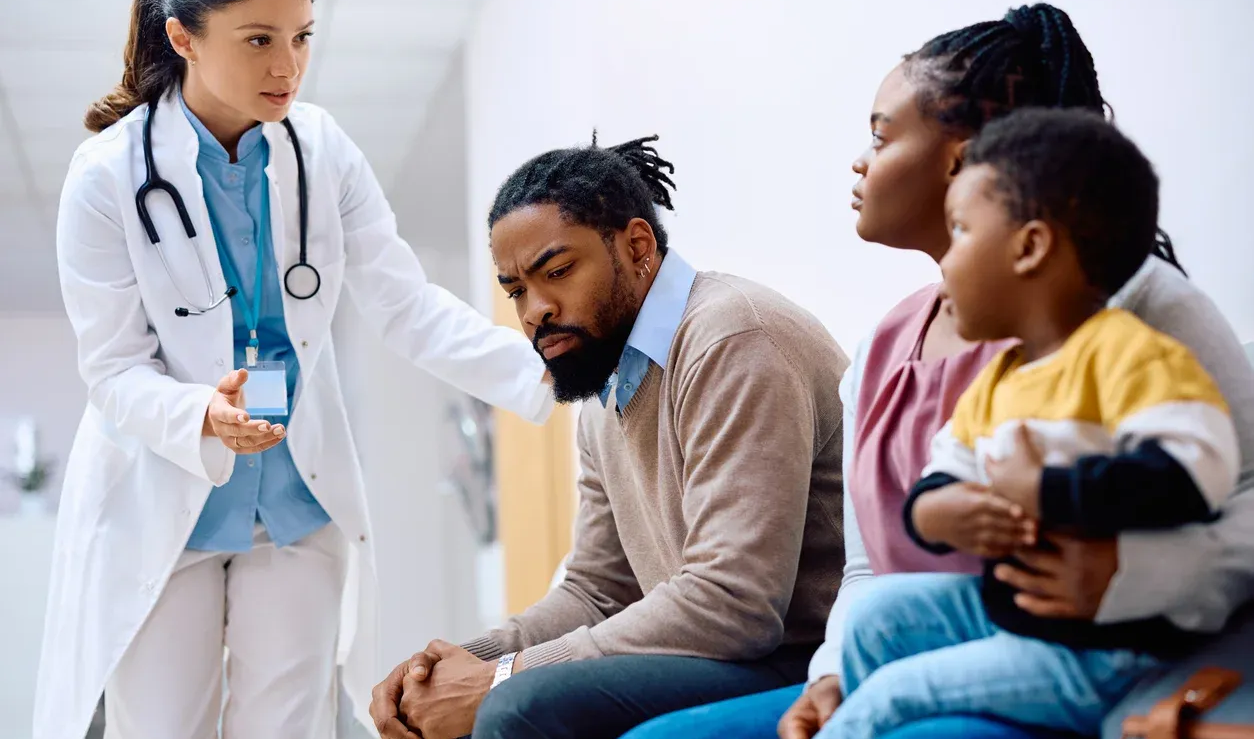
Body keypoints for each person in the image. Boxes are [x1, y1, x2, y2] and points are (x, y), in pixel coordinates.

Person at [623, 5, 1254, 739]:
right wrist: (834, 675)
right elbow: (868, 575)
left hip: (1095, 660)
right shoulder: (881, 353)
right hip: (934, 643)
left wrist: (1126, 574)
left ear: (965, 158)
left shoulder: (1132, 311)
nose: (859, 160)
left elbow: (1235, 492)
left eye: (881, 135)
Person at [34, 0, 554, 737]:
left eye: (302, 37)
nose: (288, 66)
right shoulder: (107, 175)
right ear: (183, 37)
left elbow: (405, 304)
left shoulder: (321, 150)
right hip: (164, 496)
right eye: (259, 39)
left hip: (293, 502)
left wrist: (552, 370)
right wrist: (199, 414)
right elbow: (115, 369)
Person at [367, 133, 849, 739]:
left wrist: (500, 678)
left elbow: (734, 603)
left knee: (518, 707)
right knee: (468, 705)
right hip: (728, 655)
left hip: (807, 663)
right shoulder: (607, 386)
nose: (534, 311)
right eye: (516, 291)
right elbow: (597, 590)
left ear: (637, 246)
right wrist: (457, 664)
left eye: (557, 272)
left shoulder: (732, 340)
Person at [825, 107, 1240, 739]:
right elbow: (945, 473)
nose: (947, 262)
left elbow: (1195, 475)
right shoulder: (1004, 376)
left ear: (1030, 247)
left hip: (1106, 648)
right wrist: (941, 511)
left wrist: (1044, 490)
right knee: (875, 616)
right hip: (1012, 613)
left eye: (961, 231)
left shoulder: (1133, 354)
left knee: (890, 697)